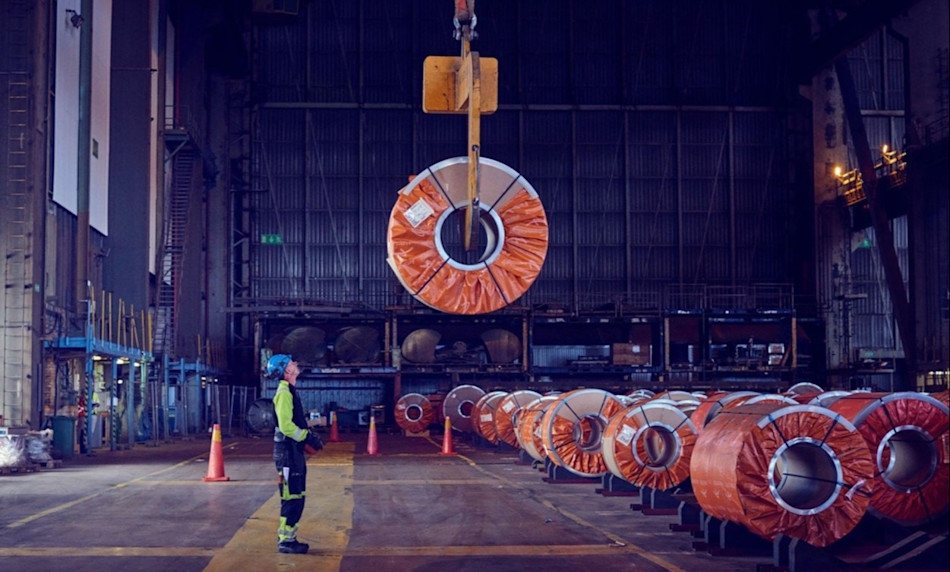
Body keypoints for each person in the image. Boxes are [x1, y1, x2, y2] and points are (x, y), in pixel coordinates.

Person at [266, 354, 323, 554]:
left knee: (297, 496)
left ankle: (289, 538)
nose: (295, 364)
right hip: (288, 454)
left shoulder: (290, 391)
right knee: (292, 498)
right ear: (286, 371)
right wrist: (307, 436)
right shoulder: (284, 393)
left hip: (292, 453)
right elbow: (286, 427)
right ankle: (285, 542)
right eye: (291, 363)